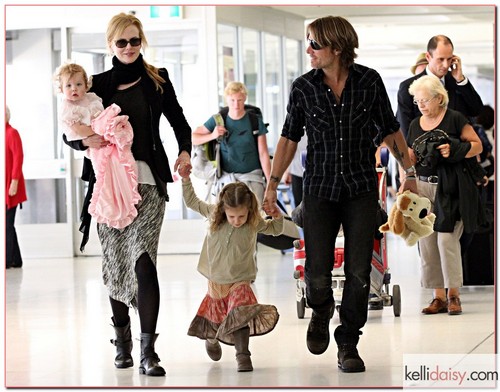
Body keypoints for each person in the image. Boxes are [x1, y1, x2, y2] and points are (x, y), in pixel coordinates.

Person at [262, 16, 418, 373]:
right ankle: (320, 310)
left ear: (336, 47)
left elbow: (391, 130)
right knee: (316, 270)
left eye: (314, 44)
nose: (309, 50)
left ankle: (348, 340)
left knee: (360, 271)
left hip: (361, 188)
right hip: (318, 189)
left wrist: (408, 172)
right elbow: (288, 138)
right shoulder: (303, 87)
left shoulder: (369, 81)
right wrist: (271, 185)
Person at [63, 12, 192, 377]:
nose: (130, 48)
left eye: (135, 41)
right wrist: (84, 139)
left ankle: (149, 350)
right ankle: (122, 343)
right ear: (111, 45)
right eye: (123, 42)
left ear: (142, 42)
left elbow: (179, 121)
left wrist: (185, 151)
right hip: (107, 187)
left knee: (143, 260)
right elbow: (70, 125)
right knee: (117, 263)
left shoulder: (157, 79)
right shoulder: (96, 85)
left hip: (149, 182)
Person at [181, 175, 282, 372]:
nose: (237, 221)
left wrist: (276, 216)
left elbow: (274, 229)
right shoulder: (212, 214)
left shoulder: (254, 222)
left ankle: (243, 356)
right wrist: (186, 179)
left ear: (249, 212)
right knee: (215, 319)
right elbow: (192, 201)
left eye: (241, 216)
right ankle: (211, 339)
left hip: (240, 280)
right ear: (223, 211)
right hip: (216, 280)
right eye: (232, 216)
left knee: (240, 312)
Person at [406, 76, 483, 316]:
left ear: (439, 98)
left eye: (425, 100)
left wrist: (454, 148)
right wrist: (405, 179)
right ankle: (437, 296)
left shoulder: (455, 118)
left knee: (446, 241)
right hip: (423, 187)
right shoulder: (415, 124)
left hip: (449, 187)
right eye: (417, 100)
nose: (420, 105)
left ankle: (453, 295)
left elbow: (477, 146)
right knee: (427, 243)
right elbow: (410, 156)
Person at [55, 63, 140, 229]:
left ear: (86, 85)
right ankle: (108, 205)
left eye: (79, 84)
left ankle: (127, 192)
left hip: (105, 138)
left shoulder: (92, 98)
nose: (74, 89)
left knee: (121, 161)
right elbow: (78, 129)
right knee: (103, 172)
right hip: (92, 143)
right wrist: (100, 132)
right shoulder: (67, 107)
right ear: (61, 89)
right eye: (69, 85)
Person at [192, 81, 271, 203]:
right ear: (227, 100)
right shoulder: (218, 119)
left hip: (252, 178)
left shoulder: (254, 121)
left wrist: (270, 183)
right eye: (232, 100)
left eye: (239, 100)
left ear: (245, 98)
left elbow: (263, 153)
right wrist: (213, 135)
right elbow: (194, 138)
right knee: (227, 219)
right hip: (226, 180)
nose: (236, 104)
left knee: (254, 218)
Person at [397, 35, 483, 137]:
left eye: (449, 59)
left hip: (459, 149)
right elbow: (406, 130)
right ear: (428, 57)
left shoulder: (457, 82)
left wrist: (461, 80)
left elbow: (476, 111)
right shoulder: (408, 86)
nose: (446, 65)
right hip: (425, 150)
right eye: (440, 59)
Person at [5, 105, 27, 269]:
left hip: (11, 186)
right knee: (7, 224)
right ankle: (15, 260)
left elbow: (18, 158)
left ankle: (7, 260)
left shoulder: (12, 133)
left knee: (6, 224)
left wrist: (14, 182)